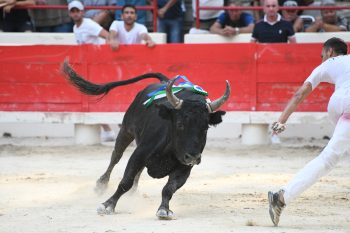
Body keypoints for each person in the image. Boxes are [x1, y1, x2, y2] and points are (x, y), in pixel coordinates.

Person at [268, 37, 349, 226]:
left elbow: (300, 94)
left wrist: (281, 121)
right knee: (334, 153)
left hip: (340, 106)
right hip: (343, 105)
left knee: (330, 157)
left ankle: (281, 198)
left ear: (329, 52)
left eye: (322, 55)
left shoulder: (327, 64)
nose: (322, 58)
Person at [68, 0, 116, 142]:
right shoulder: (75, 28)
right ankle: (108, 130)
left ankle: (111, 130)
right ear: (70, 13)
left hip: (98, 66)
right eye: (73, 11)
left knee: (97, 96)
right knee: (91, 97)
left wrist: (104, 56)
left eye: (78, 11)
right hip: (88, 68)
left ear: (82, 12)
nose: (76, 13)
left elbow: (107, 36)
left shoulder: (89, 24)